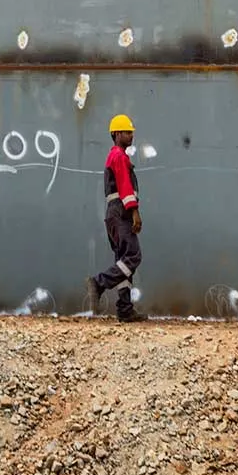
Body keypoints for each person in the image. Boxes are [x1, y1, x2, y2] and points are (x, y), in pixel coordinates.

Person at [86, 113, 144, 321]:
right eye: (127, 132)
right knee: (133, 256)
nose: (131, 136)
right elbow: (125, 186)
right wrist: (134, 211)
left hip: (114, 213)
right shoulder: (119, 156)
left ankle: (125, 309)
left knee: (122, 260)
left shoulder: (115, 156)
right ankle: (99, 282)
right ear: (117, 134)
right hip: (121, 212)